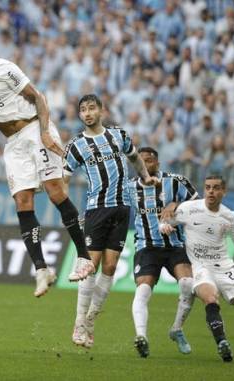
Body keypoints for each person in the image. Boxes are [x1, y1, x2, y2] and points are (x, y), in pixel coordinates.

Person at [0, 52, 94, 297]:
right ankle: (42, 269)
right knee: (22, 202)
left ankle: (84, 257)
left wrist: (45, 132)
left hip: (35, 128)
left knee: (55, 191)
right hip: (13, 144)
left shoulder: (0, 67)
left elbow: (37, 97)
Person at [63, 94, 158, 348]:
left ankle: (91, 321)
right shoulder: (76, 145)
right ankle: (79, 324)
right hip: (97, 209)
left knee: (111, 267)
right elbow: (65, 176)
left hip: (122, 207)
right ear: (80, 115)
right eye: (83, 110)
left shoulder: (118, 134)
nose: (87, 113)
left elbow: (135, 156)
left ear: (101, 111)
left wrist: (146, 176)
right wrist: (64, 205)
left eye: (91, 108)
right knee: (90, 266)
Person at [160, 175, 234, 362]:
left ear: (224, 192)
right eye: (208, 187)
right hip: (201, 267)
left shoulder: (228, 216)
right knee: (210, 299)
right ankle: (222, 343)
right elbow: (165, 222)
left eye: (216, 188)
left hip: (225, 267)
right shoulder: (188, 209)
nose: (211, 191)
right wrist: (165, 227)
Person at [128, 147, 198, 358]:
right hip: (146, 246)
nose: (146, 164)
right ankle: (141, 336)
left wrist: (176, 204)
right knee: (143, 291)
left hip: (175, 245)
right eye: (142, 160)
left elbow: (199, 205)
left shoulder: (176, 181)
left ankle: (176, 329)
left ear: (158, 163)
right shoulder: (129, 188)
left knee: (188, 284)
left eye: (150, 160)